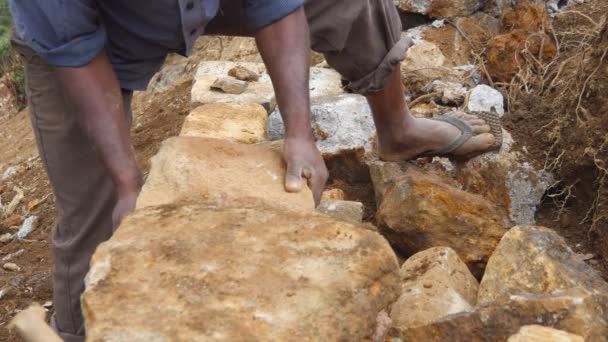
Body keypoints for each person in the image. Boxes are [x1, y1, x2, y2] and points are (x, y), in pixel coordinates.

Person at [8, 1, 497, 341]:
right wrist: (126, 182)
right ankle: (83, 333)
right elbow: (72, 46)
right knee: (98, 210)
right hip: (80, 41)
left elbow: (275, 4)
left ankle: (398, 129)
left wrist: (300, 133)